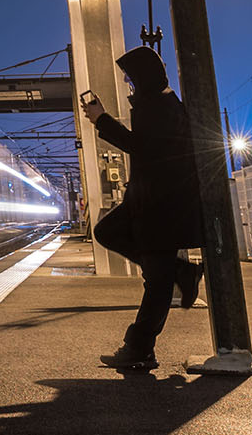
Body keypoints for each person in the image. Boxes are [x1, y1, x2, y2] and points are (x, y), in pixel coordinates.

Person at [83, 45, 205, 371]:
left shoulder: (157, 106)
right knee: (143, 263)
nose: (127, 83)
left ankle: (139, 348)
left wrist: (102, 120)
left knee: (157, 279)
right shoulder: (160, 104)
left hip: (160, 204)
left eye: (130, 77)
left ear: (143, 76)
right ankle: (179, 277)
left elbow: (143, 149)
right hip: (154, 201)